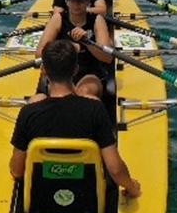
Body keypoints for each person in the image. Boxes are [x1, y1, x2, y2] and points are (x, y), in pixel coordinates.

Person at [10, 39, 141, 199]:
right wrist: (132, 187)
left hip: (42, 198)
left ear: (43, 70)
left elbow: (16, 170)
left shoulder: (28, 112)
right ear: (76, 69)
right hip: (87, 198)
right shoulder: (95, 110)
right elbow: (115, 169)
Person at [36, 0, 115, 99]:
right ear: (66, 1)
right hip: (61, 72)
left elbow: (107, 57)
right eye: (73, 1)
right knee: (62, 95)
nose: (76, 5)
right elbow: (39, 53)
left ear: (88, 2)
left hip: (89, 72)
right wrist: (68, 48)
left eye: (81, 1)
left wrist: (86, 43)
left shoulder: (97, 20)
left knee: (84, 92)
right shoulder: (58, 19)